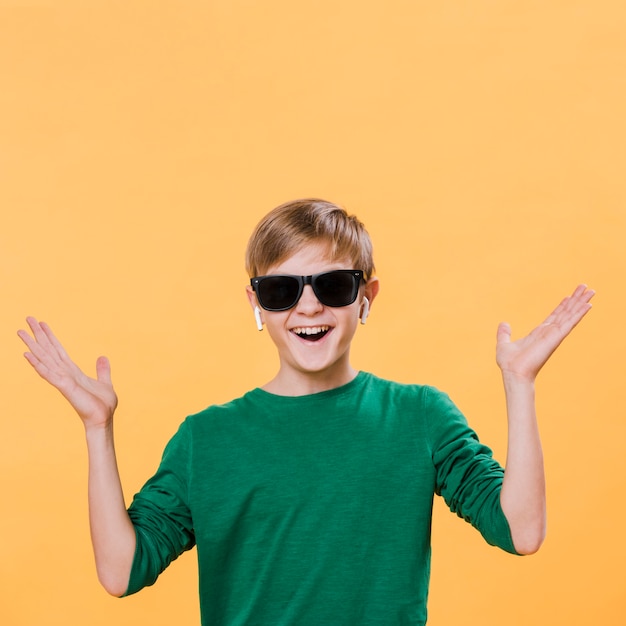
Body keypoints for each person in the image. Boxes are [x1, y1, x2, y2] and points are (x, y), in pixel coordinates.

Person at [18, 198, 594, 625]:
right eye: (281, 291)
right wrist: (97, 429)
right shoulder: (206, 439)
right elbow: (122, 572)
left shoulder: (419, 416)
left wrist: (519, 384)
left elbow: (521, 530)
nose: (308, 306)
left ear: (366, 298)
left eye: (333, 285)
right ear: (256, 305)